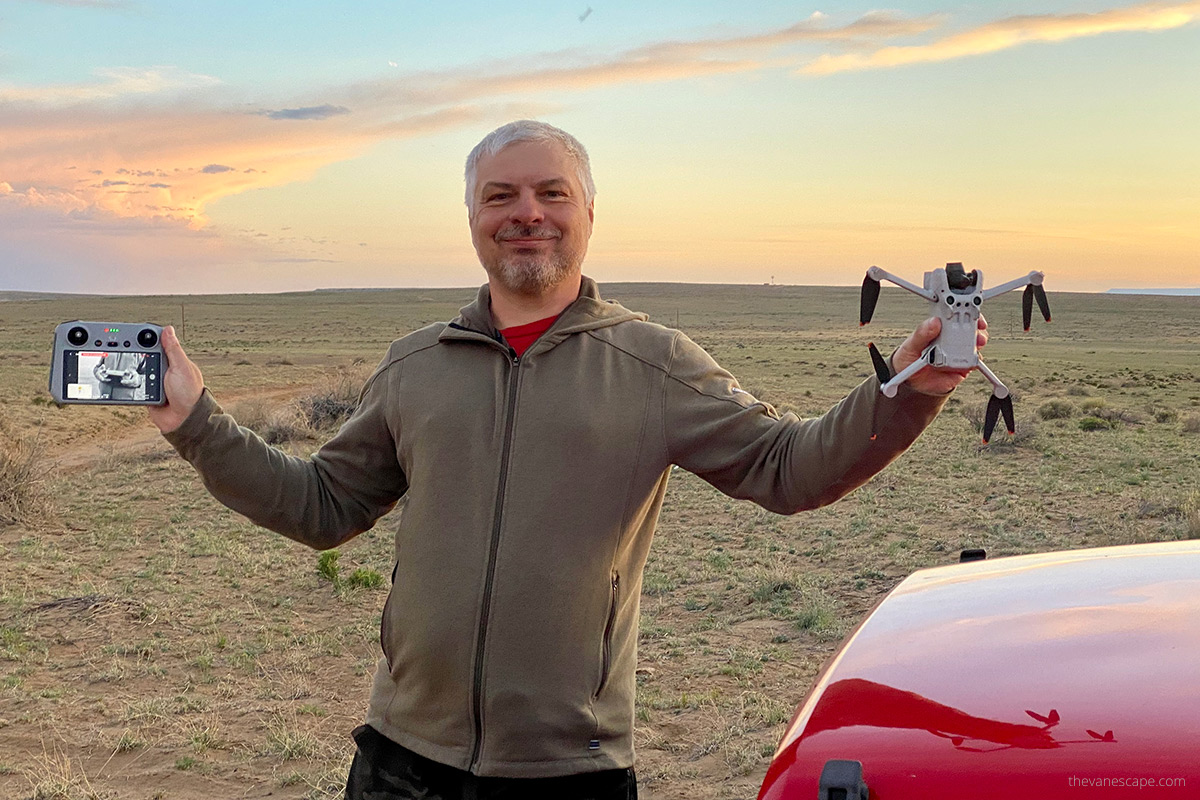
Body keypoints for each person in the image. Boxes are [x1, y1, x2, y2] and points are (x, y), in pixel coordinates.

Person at [149, 120, 987, 800]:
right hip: (400, 762)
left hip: (569, 773)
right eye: (500, 196)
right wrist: (195, 420)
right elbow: (320, 507)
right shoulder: (416, 365)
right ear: (473, 218)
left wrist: (908, 389)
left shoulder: (652, 362)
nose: (527, 213)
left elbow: (788, 466)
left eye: (552, 193)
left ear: (589, 212)